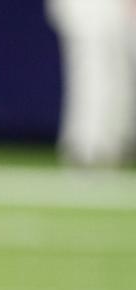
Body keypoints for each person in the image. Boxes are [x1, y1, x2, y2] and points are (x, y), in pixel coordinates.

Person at [45, 0, 136, 167]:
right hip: (88, 8)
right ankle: (87, 146)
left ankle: (113, 143)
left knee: (115, 75)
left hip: (110, 10)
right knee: (91, 73)